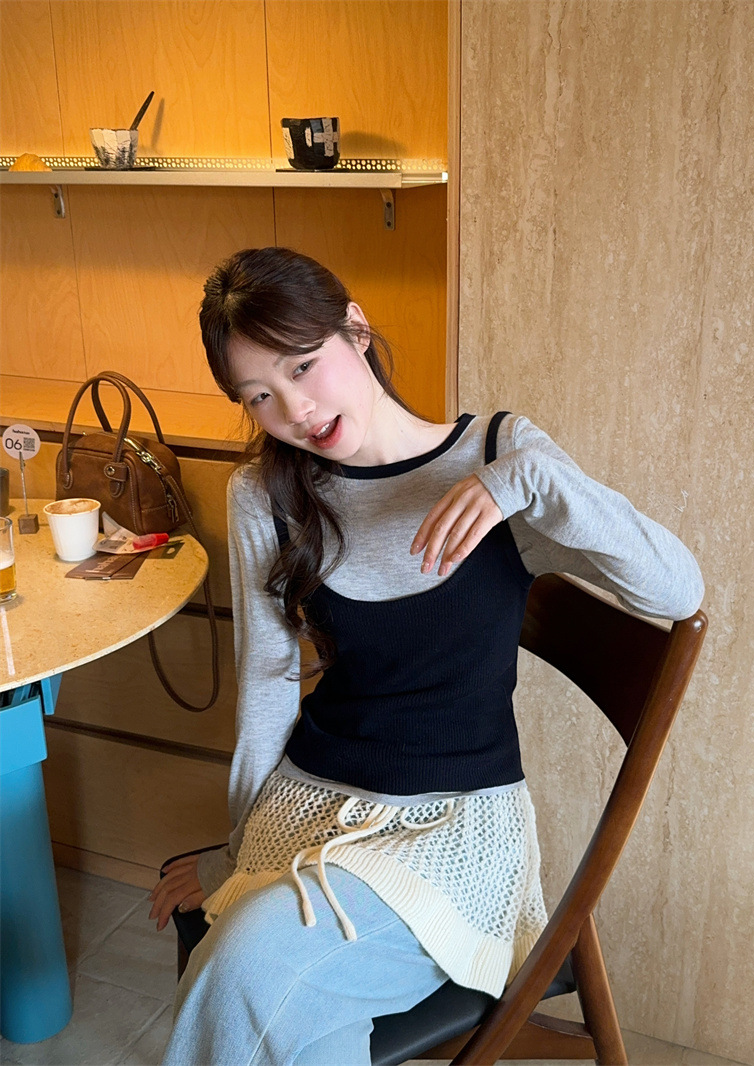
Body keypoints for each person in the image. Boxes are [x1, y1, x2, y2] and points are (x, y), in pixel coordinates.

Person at [148, 246, 704, 1065]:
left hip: (454, 832)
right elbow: (267, 687)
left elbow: (679, 590)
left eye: (303, 365)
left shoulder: (500, 457)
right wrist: (236, 852)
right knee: (263, 989)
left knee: (246, 973)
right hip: (306, 804)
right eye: (259, 395)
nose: (296, 409)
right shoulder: (265, 495)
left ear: (356, 329)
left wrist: (528, 481)